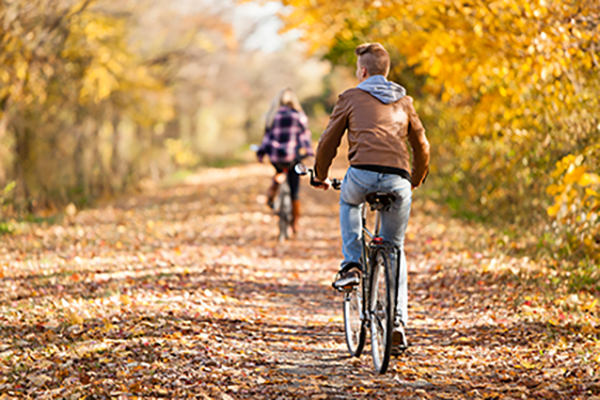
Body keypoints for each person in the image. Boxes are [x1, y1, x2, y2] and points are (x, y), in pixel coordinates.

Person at [311, 43, 430, 353]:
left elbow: (328, 140)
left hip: (361, 174)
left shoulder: (351, 96)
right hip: (398, 181)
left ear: (362, 71)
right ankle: (397, 323)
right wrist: (414, 180)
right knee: (395, 250)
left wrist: (320, 175)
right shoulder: (404, 101)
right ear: (385, 71)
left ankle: (352, 266)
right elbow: (422, 145)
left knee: (350, 201)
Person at [256, 87, 315, 235]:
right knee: (295, 190)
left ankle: (273, 190)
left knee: (279, 170)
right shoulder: (298, 116)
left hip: (276, 156)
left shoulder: (272, 116)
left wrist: (261, 153)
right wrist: (309, 152)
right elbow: (304, 137)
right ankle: (294, 223)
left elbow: (267, 138)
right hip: (292, 157)